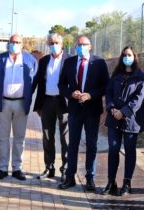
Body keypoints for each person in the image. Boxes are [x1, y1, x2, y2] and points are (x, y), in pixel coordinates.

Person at [58, 35, 109, 191]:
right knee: (72, 144)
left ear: (90, 46)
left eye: (84, 44)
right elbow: (61, 84)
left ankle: (90, 178)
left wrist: (91, 95)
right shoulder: (69, 62)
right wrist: (70, 94)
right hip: (74, 110)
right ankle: (70, 177)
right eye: (78, 45)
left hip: (92, 110)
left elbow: (106, 86)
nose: (80, 47)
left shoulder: (99, 63)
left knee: (91, 144)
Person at [0, 34, 37, 181]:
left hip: (21, 103)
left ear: (22, 44)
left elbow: (34, 80)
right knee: (2, 137)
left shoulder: (30, 60)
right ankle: (2, 168)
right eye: (12, 42)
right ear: (8, 43)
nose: (15, 44)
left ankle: (17, 168)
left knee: (19, 137)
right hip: (4, 102)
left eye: (17, 42)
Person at [102, 46, 144, 196]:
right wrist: (112, 108)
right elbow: (108, 93)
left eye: (129, 55)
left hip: (131, 120)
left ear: (134, 57)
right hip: (114, 118)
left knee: (129, 150)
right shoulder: (116, 75)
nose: (127, 57)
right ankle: (111, 182)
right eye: (124, 55)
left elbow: (138, 99)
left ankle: (127, 183)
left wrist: (124, 112)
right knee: (113, 149)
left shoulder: (141, 76)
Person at [32, 33, 69, 182]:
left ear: (61, 44)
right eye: (51, 43)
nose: (53, 45)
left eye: (56, 42)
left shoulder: (70, 60)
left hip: (63, 102)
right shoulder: (44, 61)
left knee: (65, 137)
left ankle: (65, 169)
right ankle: (49, 167)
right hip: (46, 102)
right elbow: (37, 81)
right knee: (47, 136)